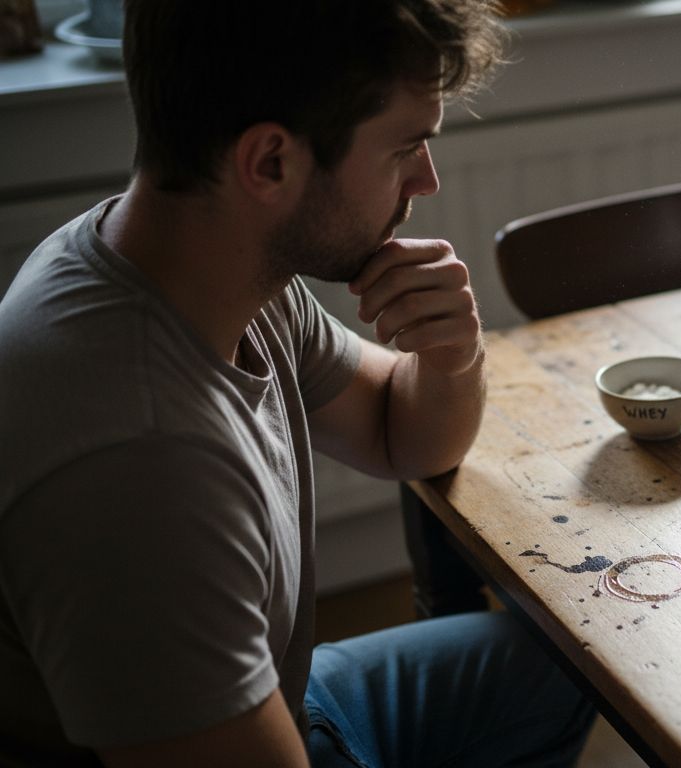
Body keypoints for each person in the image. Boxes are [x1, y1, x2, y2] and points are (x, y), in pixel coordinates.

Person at [0, 1, 596, 765]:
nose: (428, 178)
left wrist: (449, 356)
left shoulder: (209, 262)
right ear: (271, 163)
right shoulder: (137, 464)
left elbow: (400, 433)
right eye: (406, 146)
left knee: (562, 666)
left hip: (278, 703)